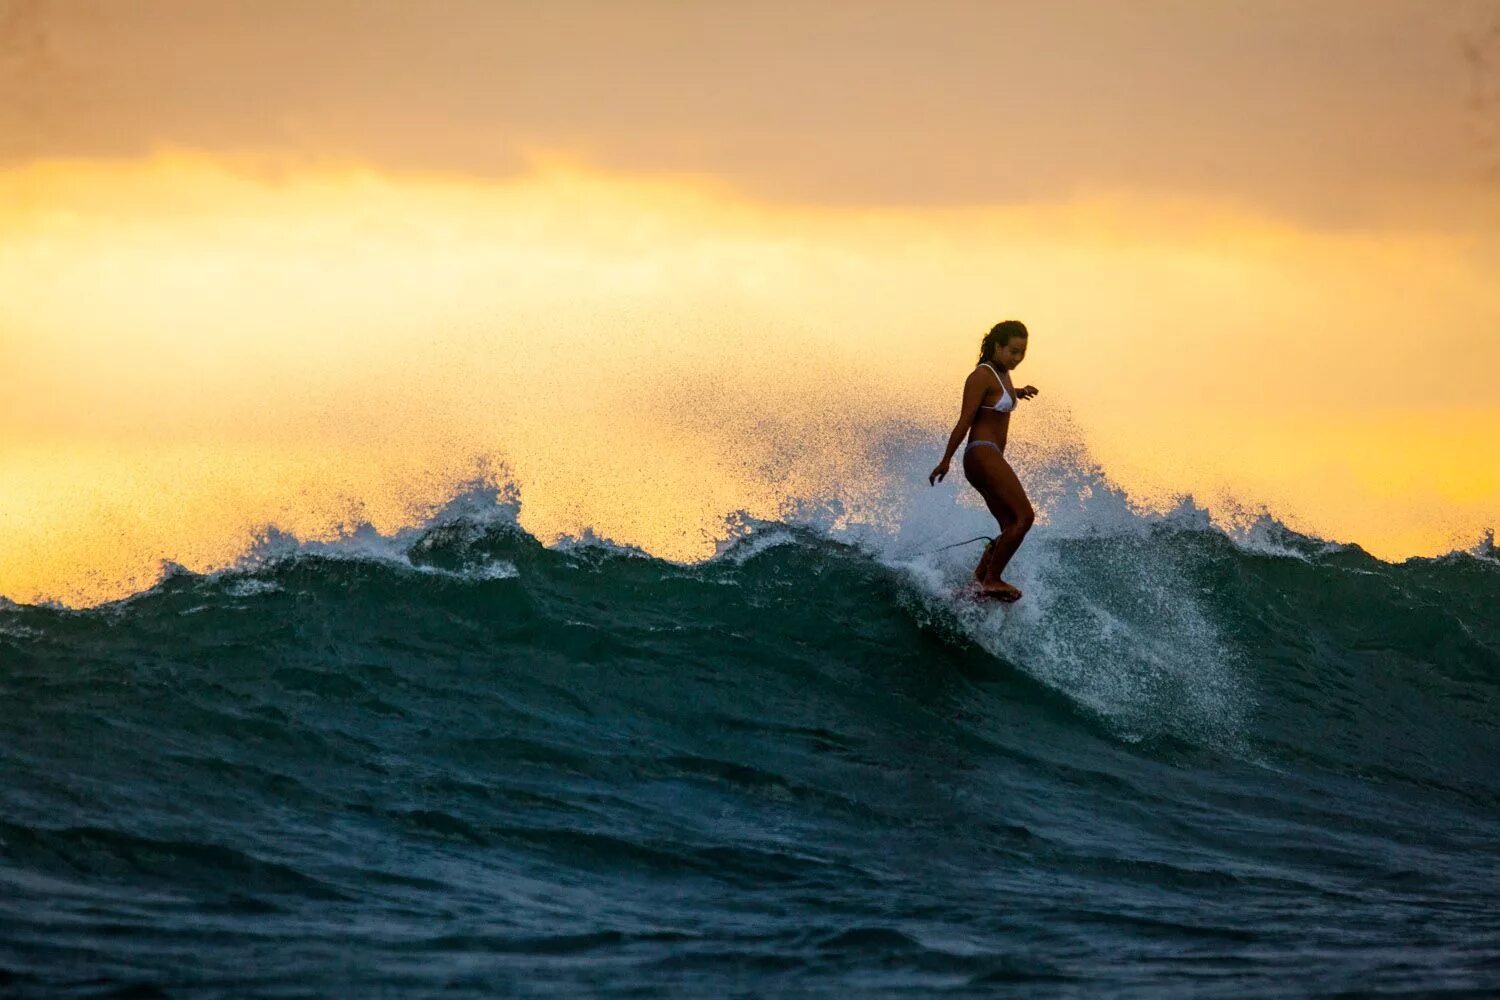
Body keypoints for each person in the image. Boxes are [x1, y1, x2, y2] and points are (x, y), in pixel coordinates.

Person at [928, 320, 1038, 601]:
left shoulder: (1003, 375)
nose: (1017, 358)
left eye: (1022, 353)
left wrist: (1019, 392)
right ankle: (992, 579)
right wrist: (945, 459)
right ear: (997, 346)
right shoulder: (981, 376)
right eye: (1013, 351)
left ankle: (976, 584)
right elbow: (965, 420)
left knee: (1009, 524)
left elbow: (999, 401)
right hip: (981, 452)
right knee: (1025, 517)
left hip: (989, 455)